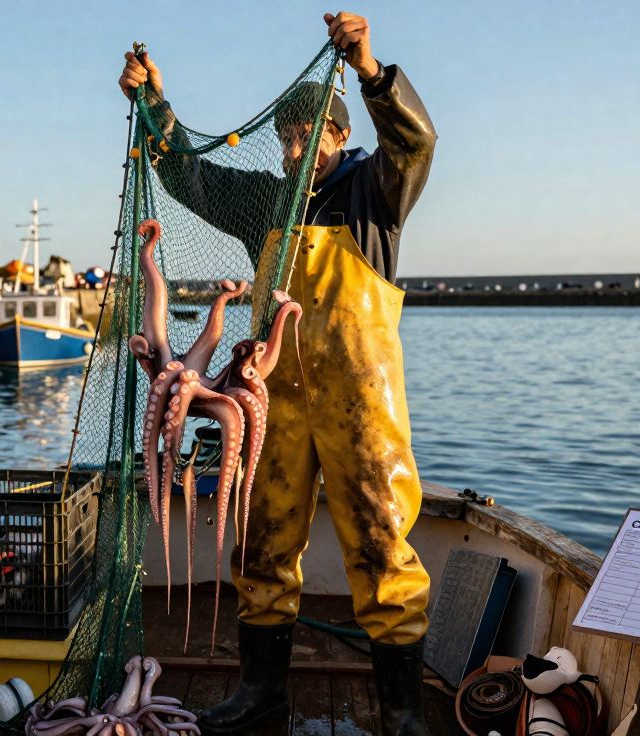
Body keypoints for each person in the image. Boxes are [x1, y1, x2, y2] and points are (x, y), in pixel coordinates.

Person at [120, 12, 436, 735]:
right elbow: (187, 174)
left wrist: (369, 67)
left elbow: (416, 142)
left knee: (383, 543)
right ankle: (262, 694)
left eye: (311, 135)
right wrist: (154, 104)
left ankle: (403, 714)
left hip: (363, 404)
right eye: (288, 137)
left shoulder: (375, 191)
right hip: (276, 401)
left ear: (338, 135)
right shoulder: (266, 202)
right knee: (262, 541)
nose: (297, 148)